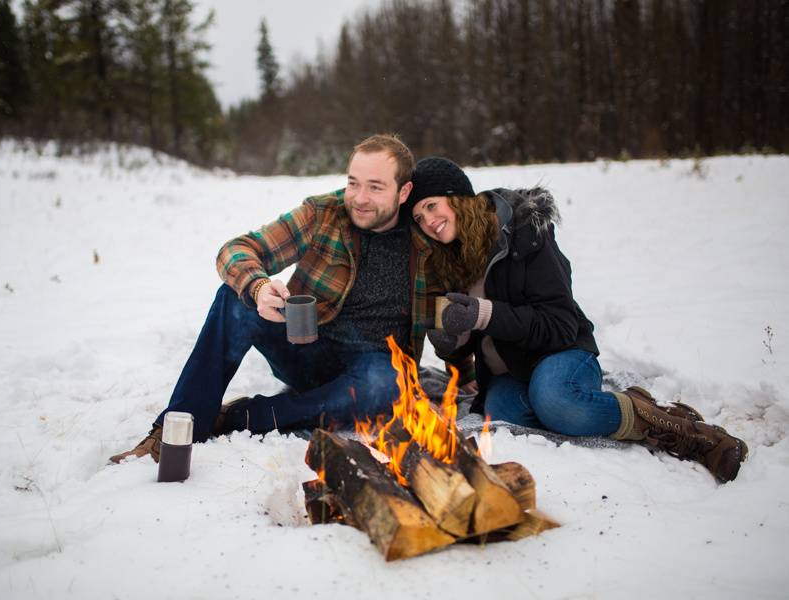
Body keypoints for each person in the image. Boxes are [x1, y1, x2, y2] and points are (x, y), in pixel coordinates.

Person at [110, 134, 460, 463]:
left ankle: (239, 417)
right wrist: (259, 288)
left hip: (371, 369)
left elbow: (454, 307)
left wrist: (468, 370)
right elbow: (236, 250)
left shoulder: (425, 240)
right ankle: (177, 428)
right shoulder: (324, 214)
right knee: (234, 299)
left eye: (375, 187)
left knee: (388, 384)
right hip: (306, 345)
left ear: (404, 192)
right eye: (353, 182)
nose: (359, 197)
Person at [407, 156, 748, 483]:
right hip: (511, 372)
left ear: (458, 197)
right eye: (419, 217)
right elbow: (468, 333)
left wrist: (482, 314)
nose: (428, 221)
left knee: (555, 401)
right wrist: (453, 341)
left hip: (562, 353)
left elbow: (559, 324)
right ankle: (618, 405)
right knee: (502, 412)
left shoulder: (523, 232)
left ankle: (678, 429)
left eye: (432, 205)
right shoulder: (445, 259)